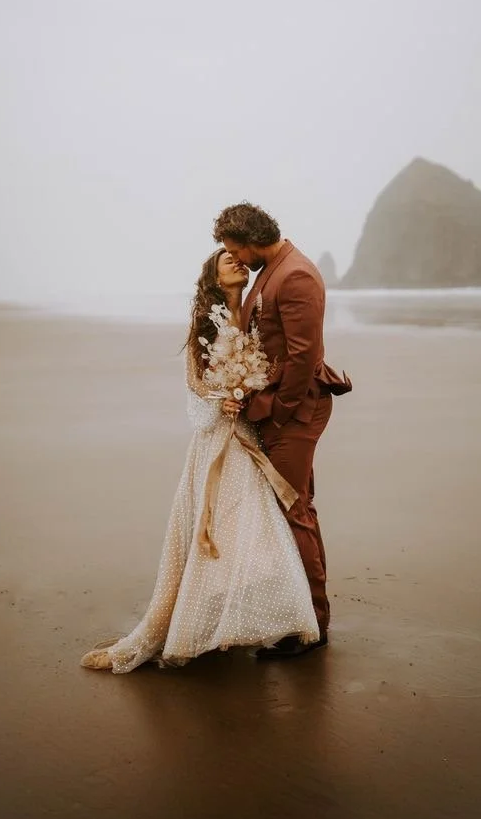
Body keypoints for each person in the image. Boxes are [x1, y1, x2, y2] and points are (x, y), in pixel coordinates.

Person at [80, 248, 318, 673]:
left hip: (246, 432)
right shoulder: (205, 321)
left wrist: (250, 390)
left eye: (239, 257)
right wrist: (222, 398)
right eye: (226, 258)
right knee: (218, 526)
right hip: (216, 439)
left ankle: (240, 619)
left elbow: (271, 361)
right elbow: (195, 380)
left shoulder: (252, 312)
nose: (237, 262)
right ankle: (198, 625)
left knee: (251, 526)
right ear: (212, 273)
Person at [213, 203, 351, 659]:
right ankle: (305, 616)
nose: (234, 257)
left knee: (295, 510)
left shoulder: (295, 276)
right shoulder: (268, 271)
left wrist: (276, 412)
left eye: (235, 249)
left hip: (296, 411)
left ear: (252, 239)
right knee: (297, 508)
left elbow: (303, 357)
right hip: (281, 409)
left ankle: (312, 626)